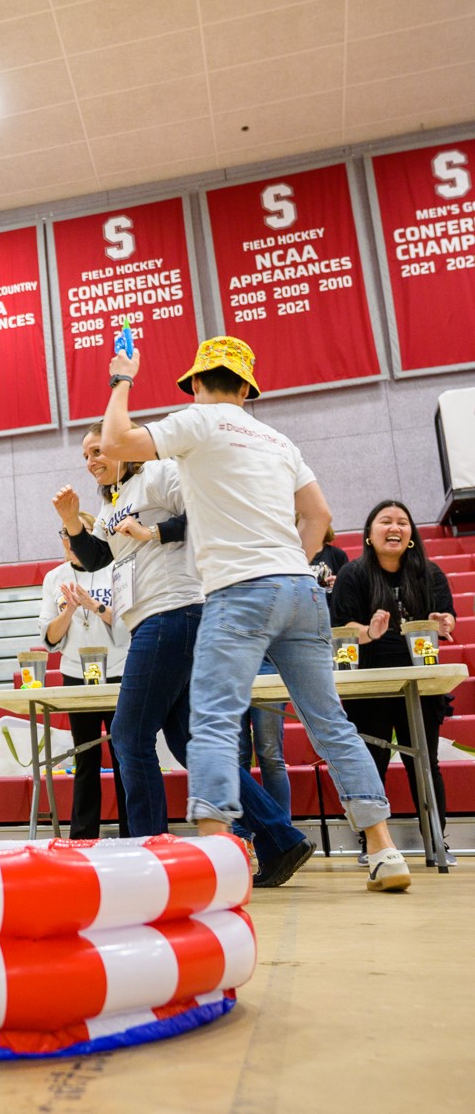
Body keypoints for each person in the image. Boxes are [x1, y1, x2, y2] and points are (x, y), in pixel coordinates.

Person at [100, 336, 411, 893]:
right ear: (246, 387)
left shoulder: (198, 422)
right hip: (301, 589)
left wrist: (122, 377)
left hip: (239, 591)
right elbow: (319, 515)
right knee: (332, 726)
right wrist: (294, 560)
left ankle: (217, 857)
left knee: (214, 725)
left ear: (196, 384)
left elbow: (116, 439)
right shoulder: (278, 439)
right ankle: (385, 850)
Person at [59, 420, 309, 884]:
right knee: (187, 744)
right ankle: (280, 838)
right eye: (86, 456)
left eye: (98, 449)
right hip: (154, 621)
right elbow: (101, 560)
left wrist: (153, 534)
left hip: (174, 613)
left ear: (121, 446)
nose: (92, 460)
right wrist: (74, 522)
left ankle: (151, 857)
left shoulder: (160, 473)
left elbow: (202, 512)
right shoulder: (112, 498)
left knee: (130, 737)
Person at [332, 500, 458, 865]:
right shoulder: (354, 576)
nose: (395, 527)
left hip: (419, 683)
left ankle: (436, 839)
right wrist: (369, 633)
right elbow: (340, 627)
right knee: (372, 760)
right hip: (371, 681)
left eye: (403, 522)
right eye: (385, 521)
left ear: (411, 536)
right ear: (370, 535)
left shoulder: (429, 574)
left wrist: (444, 623)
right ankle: (372, 842)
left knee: (424, 763)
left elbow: (446, 617)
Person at [37, 514, 128, 840]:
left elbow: (128, 625)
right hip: (76, 673)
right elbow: (48, 639)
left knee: (125, 756)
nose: (70, 541)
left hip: (118, 671)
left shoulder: (114, 567)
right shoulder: (54, 578)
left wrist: (95, 606)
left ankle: (133, 832)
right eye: (65, 533)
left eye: (78, 533)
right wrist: (69, 611)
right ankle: (83, 836)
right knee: (85, 757)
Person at [312, 525, 351, 593]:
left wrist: (339, 584)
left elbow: (350, 586)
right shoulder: (296, 555)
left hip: (330, 602)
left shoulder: (338, 554)